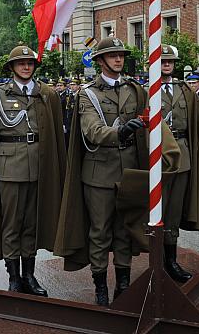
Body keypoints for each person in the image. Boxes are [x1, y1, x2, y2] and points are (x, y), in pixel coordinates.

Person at [55, 37, 175, 306]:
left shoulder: (134, 89)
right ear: (100, 61)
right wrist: (119, 131)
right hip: (99, 175)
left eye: (120, 55)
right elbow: (92, 130)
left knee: (125, 230)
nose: (118, 59)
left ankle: (123, 284)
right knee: (100, 231)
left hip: (130, 171)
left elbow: (152, 118)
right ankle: (100, 287)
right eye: (112, 56)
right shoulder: (87, 94)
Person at [0, 45, 67, 298]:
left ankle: (29, 275)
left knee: (32, 224)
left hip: (39, 167)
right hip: (9, 167)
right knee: (12, 224)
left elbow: (55, 133)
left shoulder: (45, 94)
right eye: (21, 63)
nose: (26, 66)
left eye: (30, 63)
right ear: (11, 67)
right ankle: (13, 276)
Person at [158, 45, 199, 281]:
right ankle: (153, 257)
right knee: (154, 211)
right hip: (156, 157)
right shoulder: (145, 90)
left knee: (173, 211)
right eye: (162, 61)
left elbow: (196, 124)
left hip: (181, 156)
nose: (167, 65)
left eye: (170, 62)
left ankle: (170, 260)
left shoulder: (184, 91)